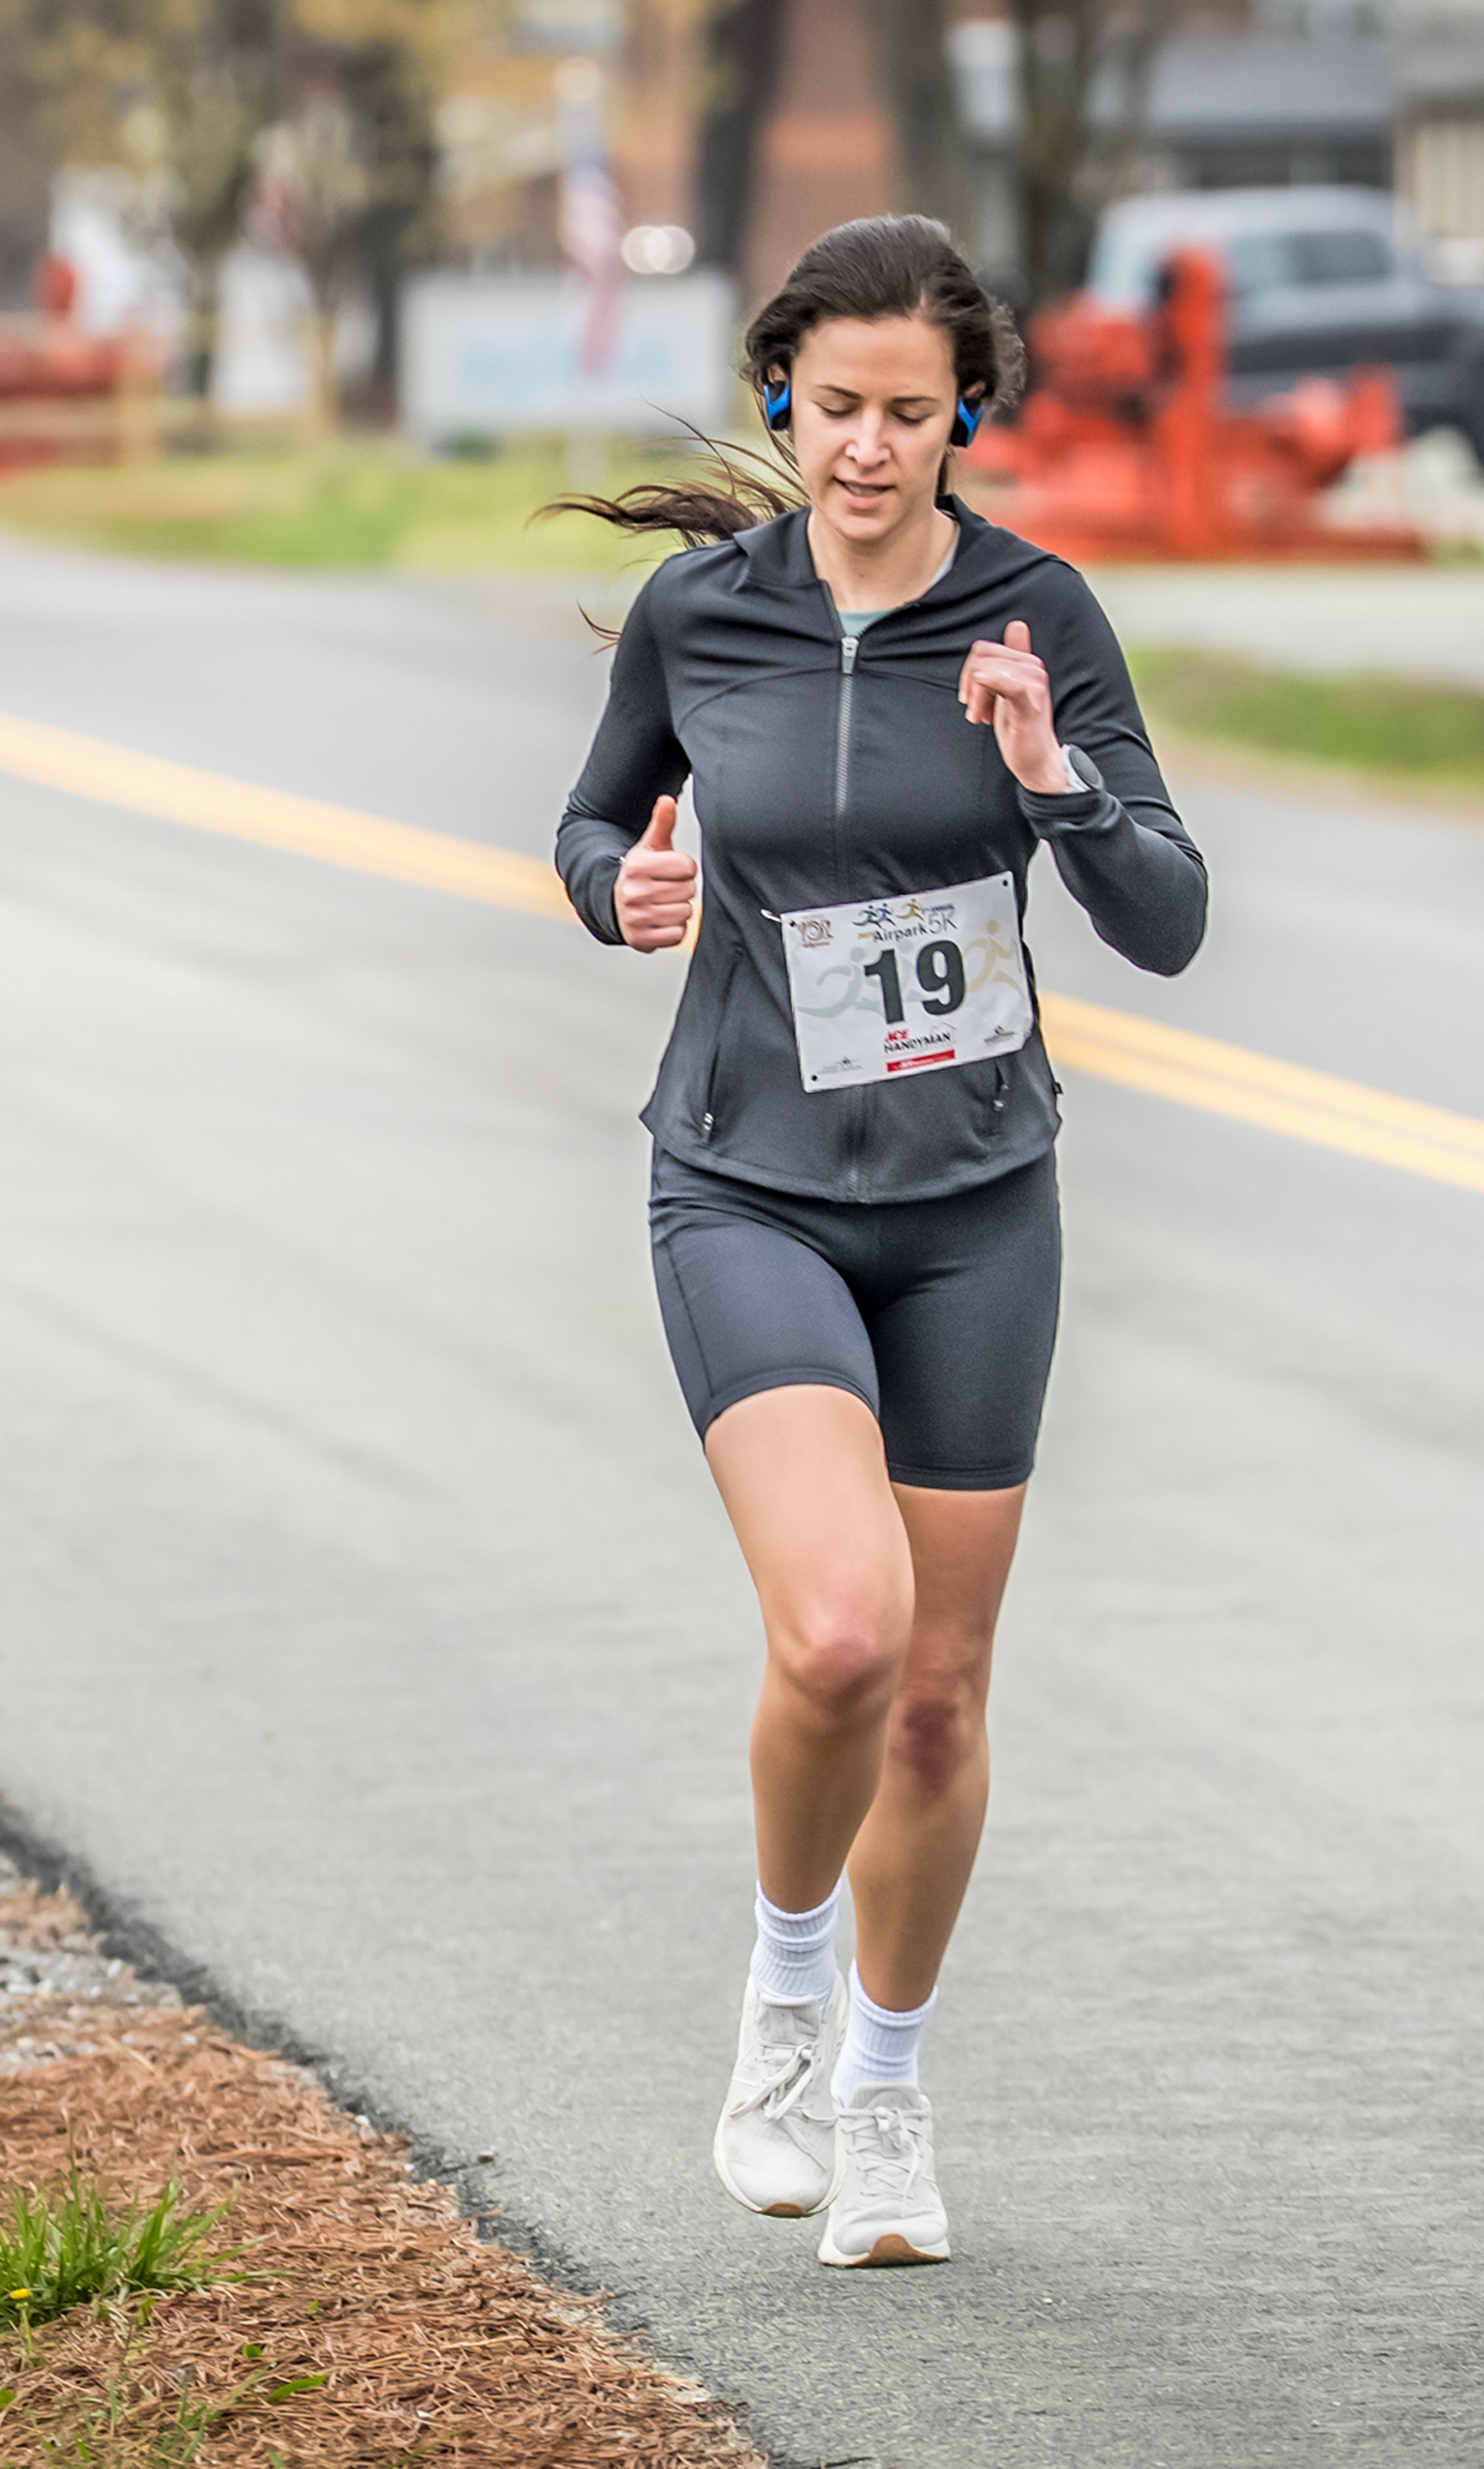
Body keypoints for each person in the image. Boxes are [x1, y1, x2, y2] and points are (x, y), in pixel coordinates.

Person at [551, 217, 1206, 2268]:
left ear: (963, 417)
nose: (864, 448)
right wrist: (617, 891)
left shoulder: (1036, 614)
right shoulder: (706, 616)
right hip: (744, 1179)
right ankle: (777, 2006)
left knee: (936, 1691)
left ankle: (887, 2097)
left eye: (909, 414)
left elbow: (1170, 913)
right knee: (838, 1632)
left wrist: (1051, 777)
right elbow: (593, 819)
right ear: (782, 398)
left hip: (975, 1208)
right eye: (834, 408)